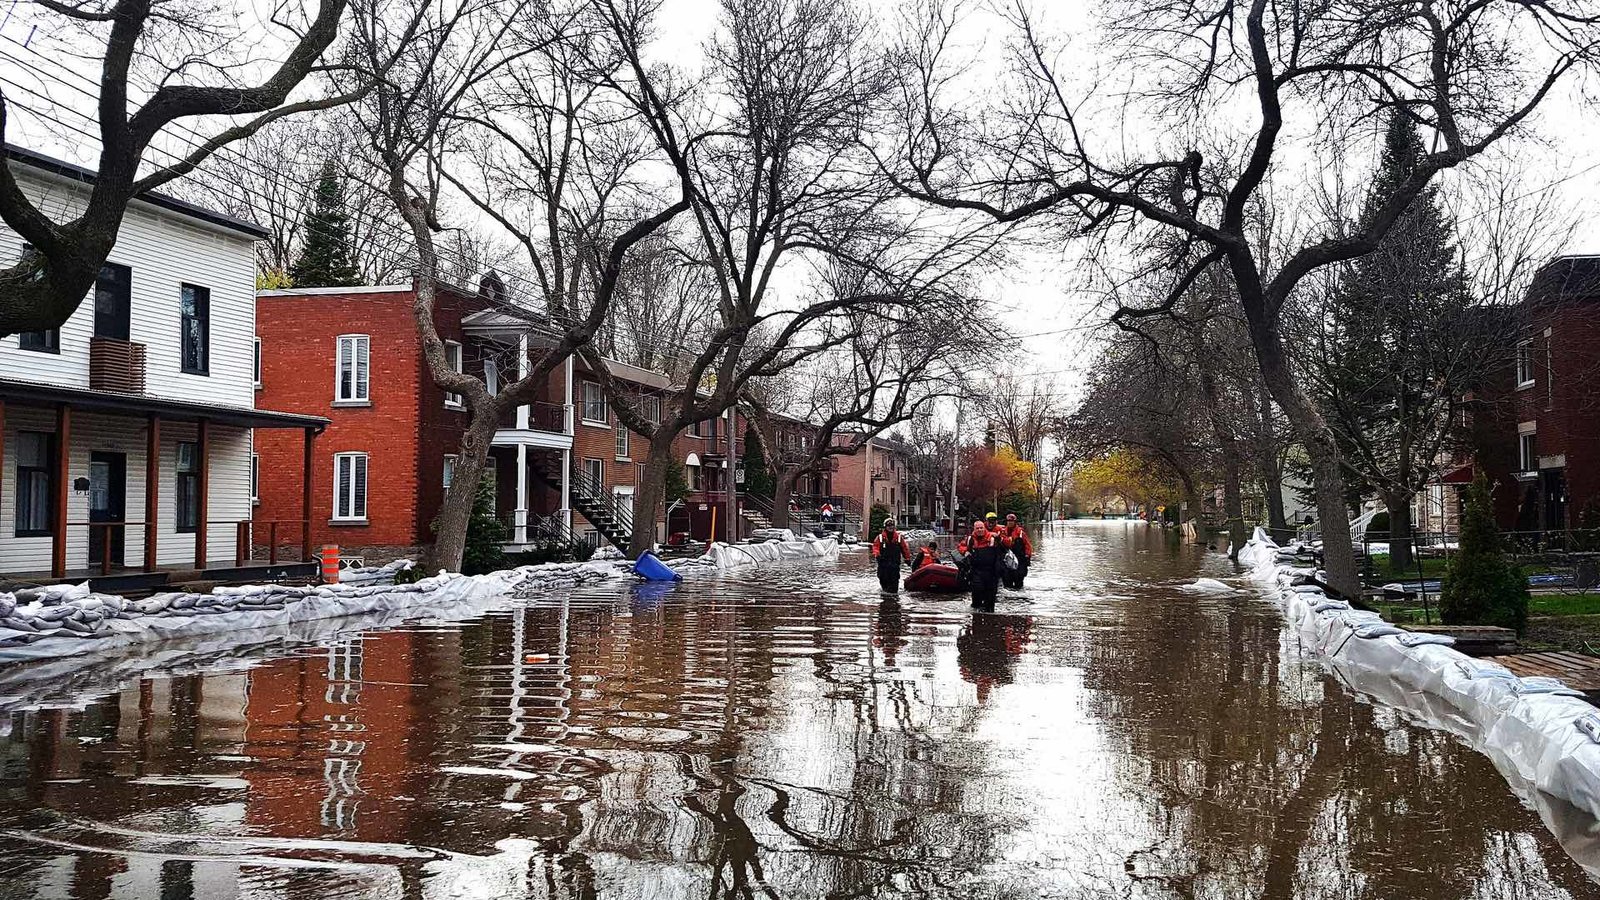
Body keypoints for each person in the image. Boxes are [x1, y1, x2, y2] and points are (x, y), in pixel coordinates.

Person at [963, 520, 1004, 609]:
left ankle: (989, 618)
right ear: (974, 529)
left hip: (991, 572)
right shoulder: (971, 539)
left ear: (984, 528)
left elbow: (1003, 549)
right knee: (976, 596)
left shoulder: (993, 538)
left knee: (990, 600)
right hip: (976, 571)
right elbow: (961, 547)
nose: (979, 530)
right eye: (977, 528)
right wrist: (965, 551)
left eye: (981, 528)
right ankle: (976, 618)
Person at [871, 518, 913, 592]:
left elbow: (905, 549)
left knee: (894, 583)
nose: (890, 527)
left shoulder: (899, 538)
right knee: (883, 580)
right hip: (883, 564)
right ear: (885, 527)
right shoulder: (880, 537)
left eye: (892, 525)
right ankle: (886, 596)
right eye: (888, 525)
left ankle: (893, 598)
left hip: (894, 564)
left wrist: (907, 559)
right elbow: (875, 547)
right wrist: (877, 555)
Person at [999, 513, 1034, 589]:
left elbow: (1028, 545)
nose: (1010, 522)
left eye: (1011, 521)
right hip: (1007, 559)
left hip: (1019, 559)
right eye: (1008, 521)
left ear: (1015, 522)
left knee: (1019, 580)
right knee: (1007, 581)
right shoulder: (1002, 532)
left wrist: (1027, 556)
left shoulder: (1021, 533)